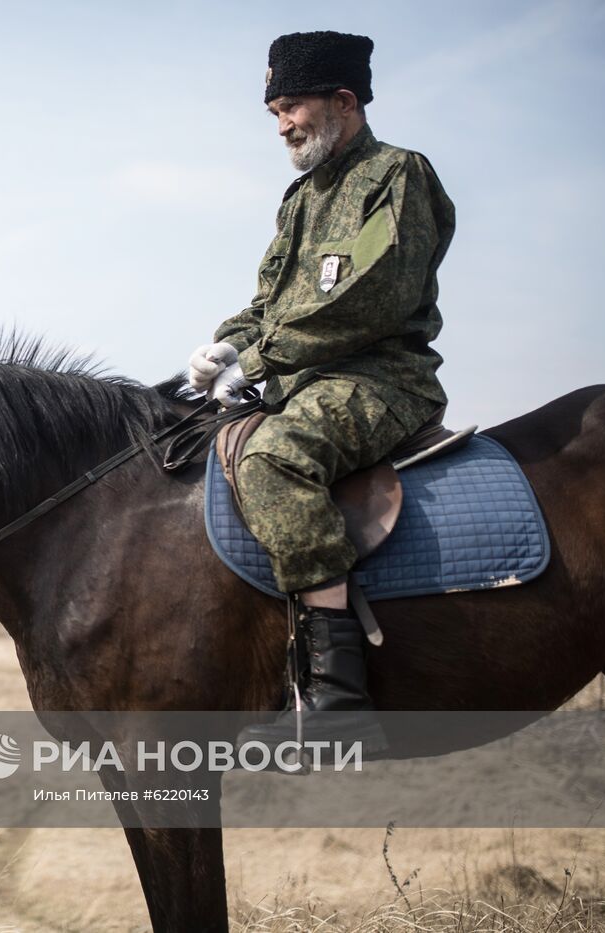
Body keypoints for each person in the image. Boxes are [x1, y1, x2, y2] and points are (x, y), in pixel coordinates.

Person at [188, 31, 455, 750]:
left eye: (292, 107)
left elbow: (371, 295)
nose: (282, 126)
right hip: (305, 379)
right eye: (275, 111)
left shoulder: (397, 176)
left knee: (273, 460)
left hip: (381, 380)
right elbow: (268, 302)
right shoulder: (301, 199)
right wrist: (226, 346)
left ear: (344, 101)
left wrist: (265, 355)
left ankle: (338, 692)